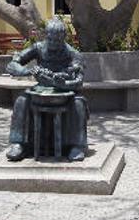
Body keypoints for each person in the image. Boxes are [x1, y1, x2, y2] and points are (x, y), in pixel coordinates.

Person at [5, 17, 88, 162]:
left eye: (58, 41)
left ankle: (76, 145)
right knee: (21, 101)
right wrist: (28, 71)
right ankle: (19, 144)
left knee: (78, 104)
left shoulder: (73, 54)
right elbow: (12, 64)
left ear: (64, 38)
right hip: (41, 90)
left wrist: (63, 83)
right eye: (51, 40)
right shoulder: (38, 48)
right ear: (46, 36)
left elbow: (79, 82)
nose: (54, 44)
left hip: (66, 92)